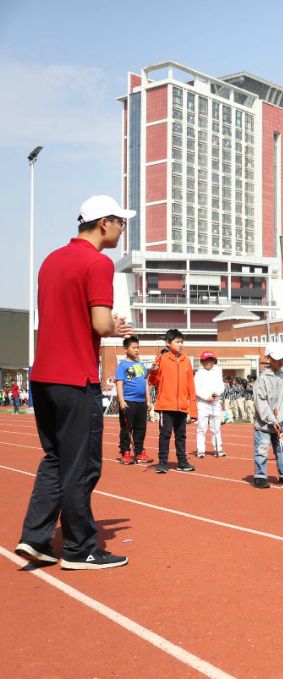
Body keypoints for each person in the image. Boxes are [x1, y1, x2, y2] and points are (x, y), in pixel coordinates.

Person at [15, 195, 134, 570]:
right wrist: (113, 327)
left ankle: (36, 538)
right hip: (74, 376)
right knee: (82, 465)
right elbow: (100, 323)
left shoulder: (51, 260)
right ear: (104, 223)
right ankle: (81, 548)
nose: (122, 229)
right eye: (120, 222)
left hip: (42, 376)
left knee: (55, 459)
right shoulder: (98, 263)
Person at [149, 329, 198, 474]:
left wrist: (193, 410)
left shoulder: (187, 361)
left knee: (181, 435)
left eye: (182, 342)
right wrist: (153, 372)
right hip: (166, 405)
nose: (181, 344)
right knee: (165, 434)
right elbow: (153, 381)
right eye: (177, 342)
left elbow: (191, 386)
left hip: (182, 406)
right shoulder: (161, 359)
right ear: (168, 343)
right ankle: (163, 462)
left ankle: (182, 461)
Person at [252, 344, 283, 488]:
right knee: (262, 450)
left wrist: (280, 419)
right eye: (277, 359)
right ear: (268, 358)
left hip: (281, 425)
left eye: (282, 358)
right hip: (264, 425)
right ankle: (260, 476)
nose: (280, 361)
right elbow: (261, 402)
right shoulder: (262, 379)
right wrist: (271, 419)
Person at [115, 336, 152, 464]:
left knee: (141, 428)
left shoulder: (140, 365)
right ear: (125, 349)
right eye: (133, 348)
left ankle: (140, 452)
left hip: (141, 401)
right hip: (128, 401)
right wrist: (121, 400)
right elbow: (119, 384)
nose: (137, 350)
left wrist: (148, 400)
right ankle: (125, 452)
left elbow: (145, 383)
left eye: (138, 348)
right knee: (126, 428)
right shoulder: (122, 366)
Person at [194, 351, 225, 459]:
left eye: (211, 360)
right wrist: (206, 397)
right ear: (202, 362)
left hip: (215, 403)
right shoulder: (199, 373)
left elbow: (221, 386)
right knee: (202, 428)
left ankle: (218, 449)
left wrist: (217, 393)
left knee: (216, 427)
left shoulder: (217, 371)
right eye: (206, 360)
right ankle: (201, 450)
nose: (209, 362)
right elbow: (196, 389)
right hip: (203, 404)